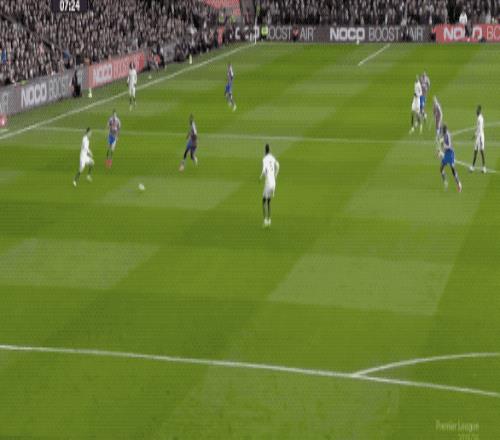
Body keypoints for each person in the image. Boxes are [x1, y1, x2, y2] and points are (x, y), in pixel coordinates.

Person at [260, 143, 280, 228]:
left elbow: (264, 170)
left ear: (265, 150)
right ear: (270, 149)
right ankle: (270, 219)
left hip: (268, 183)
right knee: (268, 201)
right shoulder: (272, 157)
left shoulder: (264, 159)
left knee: (263, 201)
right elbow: (278, 165)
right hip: (274, 183)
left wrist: (260, 177)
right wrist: (275, 175)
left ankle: (265, 220)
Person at [439, 124, 462, 192]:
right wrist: (441, 149)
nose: (442, 131)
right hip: (446, 154)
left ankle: (459, 184)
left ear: (445, 130)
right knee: (441, 168)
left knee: (453, 170)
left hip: (450, 153)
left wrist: (443, 145)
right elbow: (443, 144)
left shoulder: (448, 135)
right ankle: (445, 182)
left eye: (442, 130)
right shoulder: (444, 135)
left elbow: (449, 146)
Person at [469, 105, 486, 173]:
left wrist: (475, 135)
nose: (476, 111)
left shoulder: (480, 119)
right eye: (476, 110)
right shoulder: (480, 117)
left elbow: (480, 129)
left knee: (481, 151)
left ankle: (483, 168)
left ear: (479, 111)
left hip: (480, 137)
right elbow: (479, 128)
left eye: (477, 110)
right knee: (476, 151)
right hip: (478, 137)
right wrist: (475, 135)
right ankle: (473, 167)